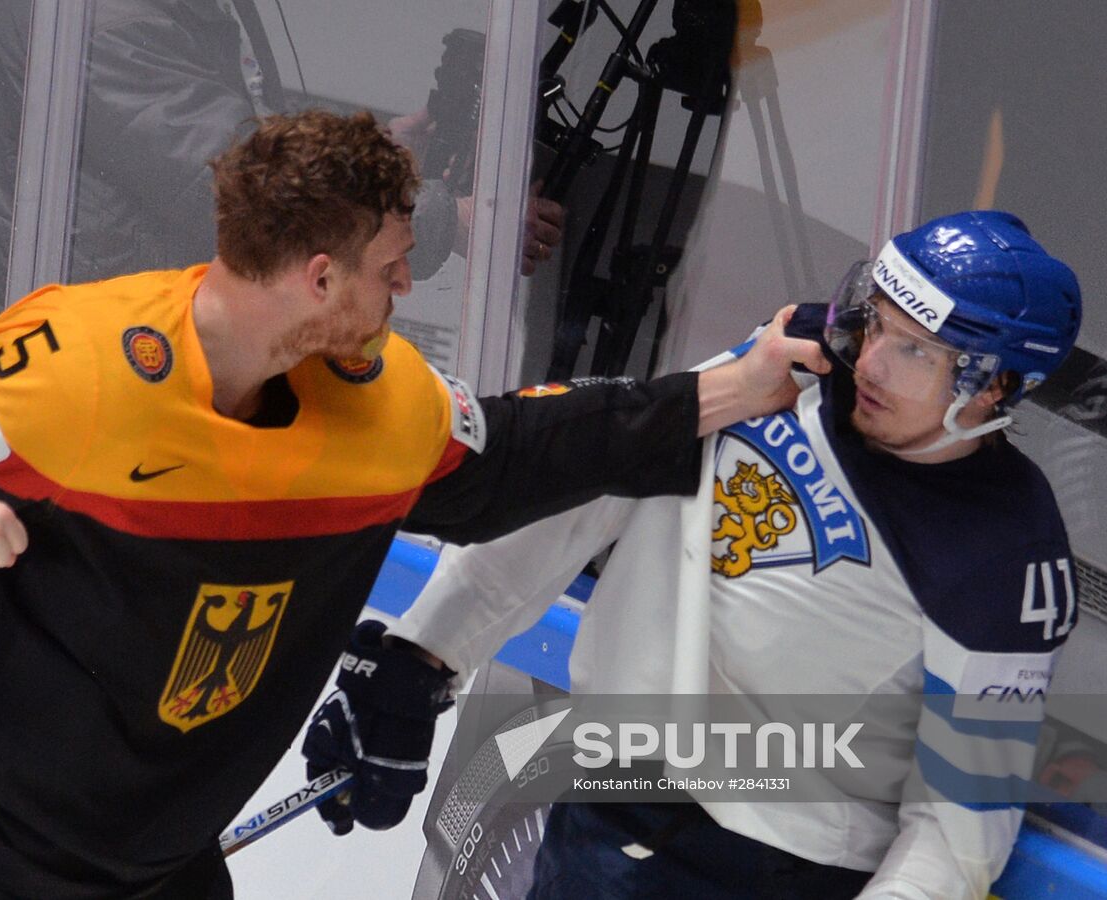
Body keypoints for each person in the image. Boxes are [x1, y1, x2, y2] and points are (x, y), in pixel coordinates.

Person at [0, 109, 824, 899]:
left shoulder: (380, 399)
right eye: (393, 268)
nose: (407, 291)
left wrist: (728, 387)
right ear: (319, 278)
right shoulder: (73, 365)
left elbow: (520, 458)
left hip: (157, 866)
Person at [307, 210, 1083, 899]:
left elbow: (961, 822)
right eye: (875, 323)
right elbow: (592, 487)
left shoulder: (1006, 554)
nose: (870, 362)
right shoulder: (786, 364)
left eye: (915, 352)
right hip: (600, 806)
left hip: (769, 871)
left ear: (995, 387)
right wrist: (430, 650)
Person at [0, 0, 563, 335]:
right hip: (75, 365)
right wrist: (446, 220)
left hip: (133, 346)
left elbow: (251, 130)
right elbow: (251, 186)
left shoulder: (179, 9)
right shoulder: (103, 22)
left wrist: (384, 147)